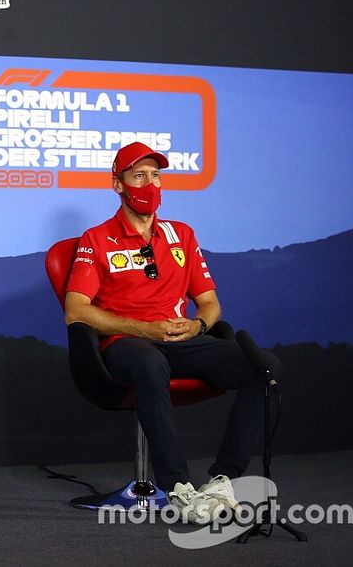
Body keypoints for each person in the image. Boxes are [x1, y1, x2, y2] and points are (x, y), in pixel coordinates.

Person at [63, 141, 282, 525]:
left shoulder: (181, 234)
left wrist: (197, 325)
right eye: (138, 176)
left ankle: (223, 480)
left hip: (180, 338)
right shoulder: (96, 239)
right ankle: (177, 487)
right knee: (148, 362)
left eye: (155, 175)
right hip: (125, 344)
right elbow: (75, 311)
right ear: (118, 185)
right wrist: (142, 328)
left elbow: (211, 304)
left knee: (263, 365)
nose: (150, 184)